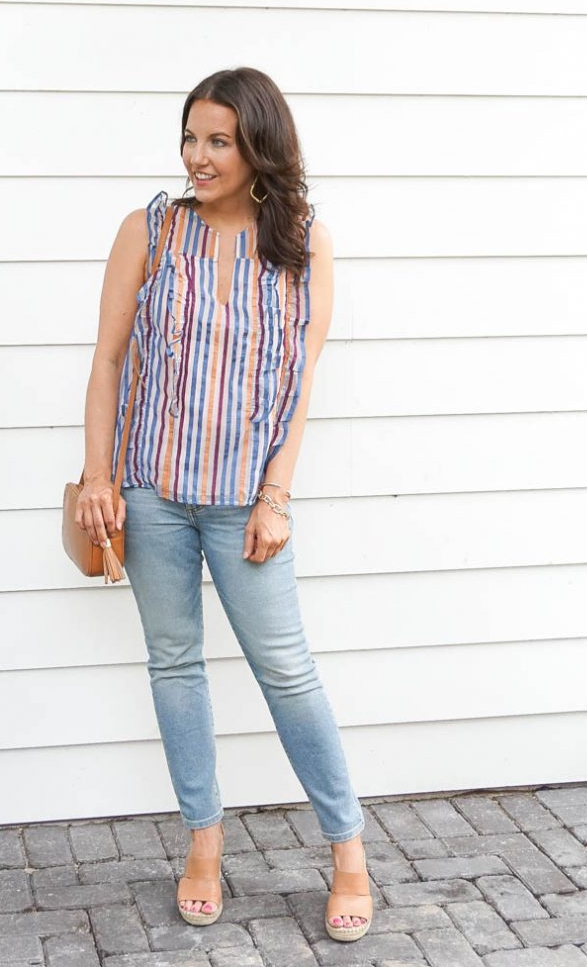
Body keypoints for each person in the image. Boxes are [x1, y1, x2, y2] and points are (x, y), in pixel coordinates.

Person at [75, 67, 372, 943]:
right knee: (175, 666)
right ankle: (203, 845)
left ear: (258, 148)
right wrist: (100, 477)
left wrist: (276, 496)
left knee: (287, 673)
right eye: (190, 138)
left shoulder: (303, 241)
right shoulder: (151, 230)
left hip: (246, 503)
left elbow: (298, 377)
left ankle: (348, 851)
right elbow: (107, 360)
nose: (198, 157)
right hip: (152, 494)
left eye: (218, 141)